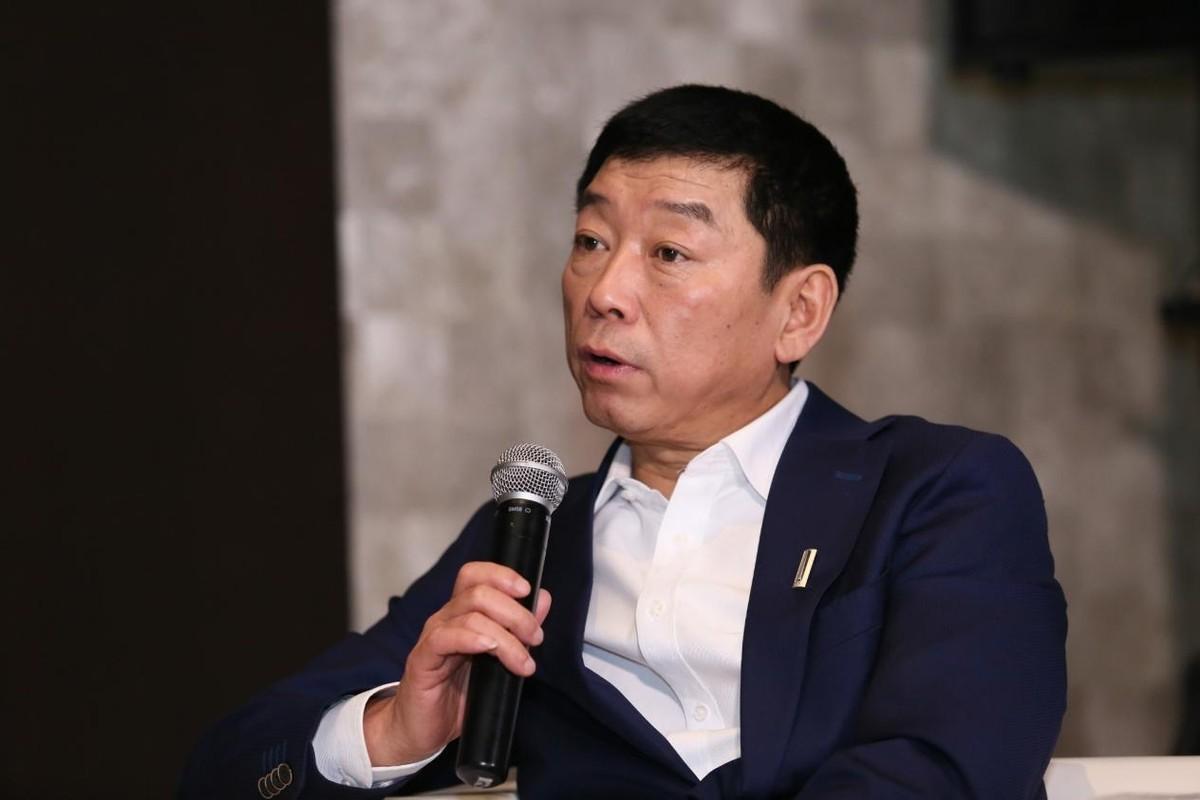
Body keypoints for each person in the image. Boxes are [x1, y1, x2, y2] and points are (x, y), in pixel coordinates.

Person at [181, 84, 1067, 799]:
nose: (604, 290)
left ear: (799, 310)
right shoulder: (532, 538)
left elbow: (946, 767)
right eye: (590, 240)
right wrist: (395, 727)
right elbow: (228, 770)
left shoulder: (934, 490)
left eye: (669, 253)